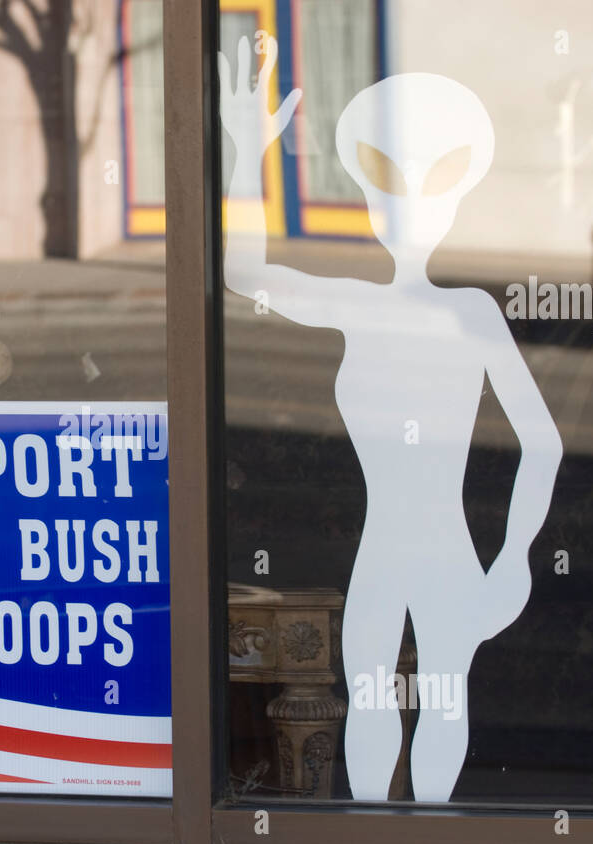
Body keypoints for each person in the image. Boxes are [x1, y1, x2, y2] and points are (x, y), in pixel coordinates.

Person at [219, 37, 563, 802]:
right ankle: (377, 841)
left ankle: (431, 841)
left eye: (430, 182)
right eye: (385, 183)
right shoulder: (362, 305)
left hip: (443, 551)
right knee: (371, 698)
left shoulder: (470, 313)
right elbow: (245, 274)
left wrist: (514, 560)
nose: (405, 204)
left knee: (443, 695)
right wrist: (248, 158)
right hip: (385, 551)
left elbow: (542, 440)